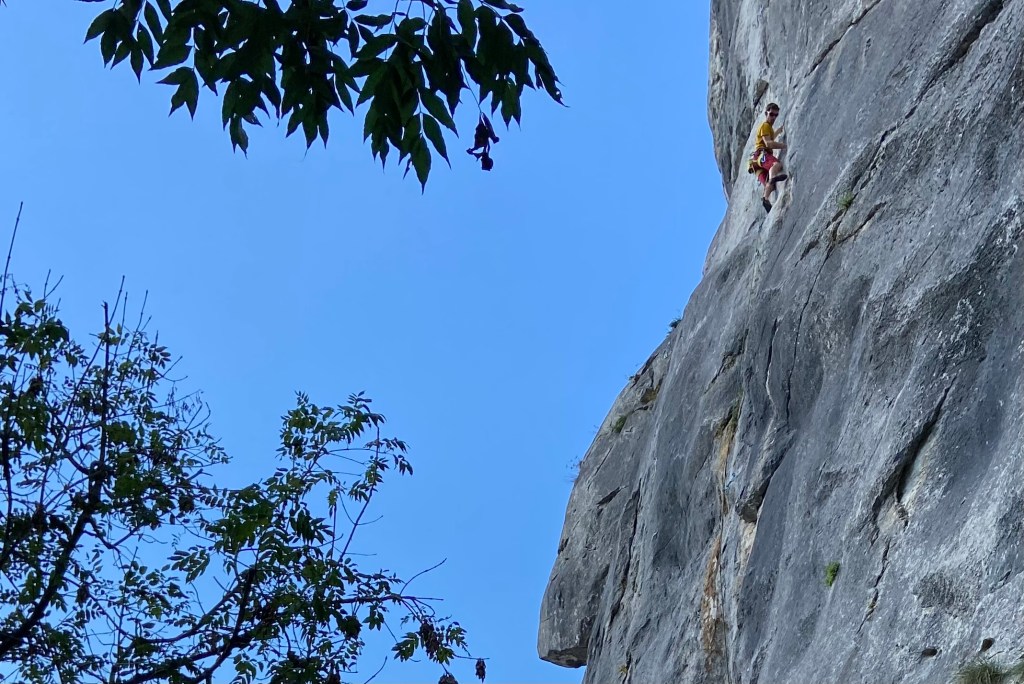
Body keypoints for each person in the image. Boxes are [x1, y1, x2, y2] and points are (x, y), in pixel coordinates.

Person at [753, 103, 788, 213]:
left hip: (756, 165)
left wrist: (779, 130)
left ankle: (765, 199)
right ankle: (773, 178)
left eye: (776, 115)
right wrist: (783, 146)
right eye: (771, 114)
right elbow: (768, 143)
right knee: (776, 165)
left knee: (770, 187)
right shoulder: (765, 126)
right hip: (761, 155)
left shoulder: (769, 129)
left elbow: (771, 136)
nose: (773, 117)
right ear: (766, 113)